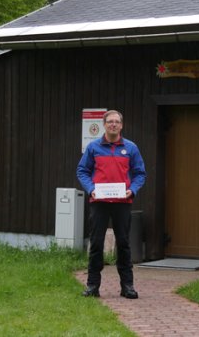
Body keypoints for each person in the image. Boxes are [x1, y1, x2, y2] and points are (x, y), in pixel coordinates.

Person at [76, 110, 146, 299]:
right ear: (104, 124)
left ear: (121, 125)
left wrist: (134, 189)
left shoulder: (131, 148)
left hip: (122, 202)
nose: (113, 125)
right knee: (96, 243)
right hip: (99, 203)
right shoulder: (93, 148)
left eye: (117, 122)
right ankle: (92, 286)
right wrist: (91, 189)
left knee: (123, 243)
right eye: (110, 122)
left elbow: (140, 173)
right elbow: (82, 171)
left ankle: (127, 286)